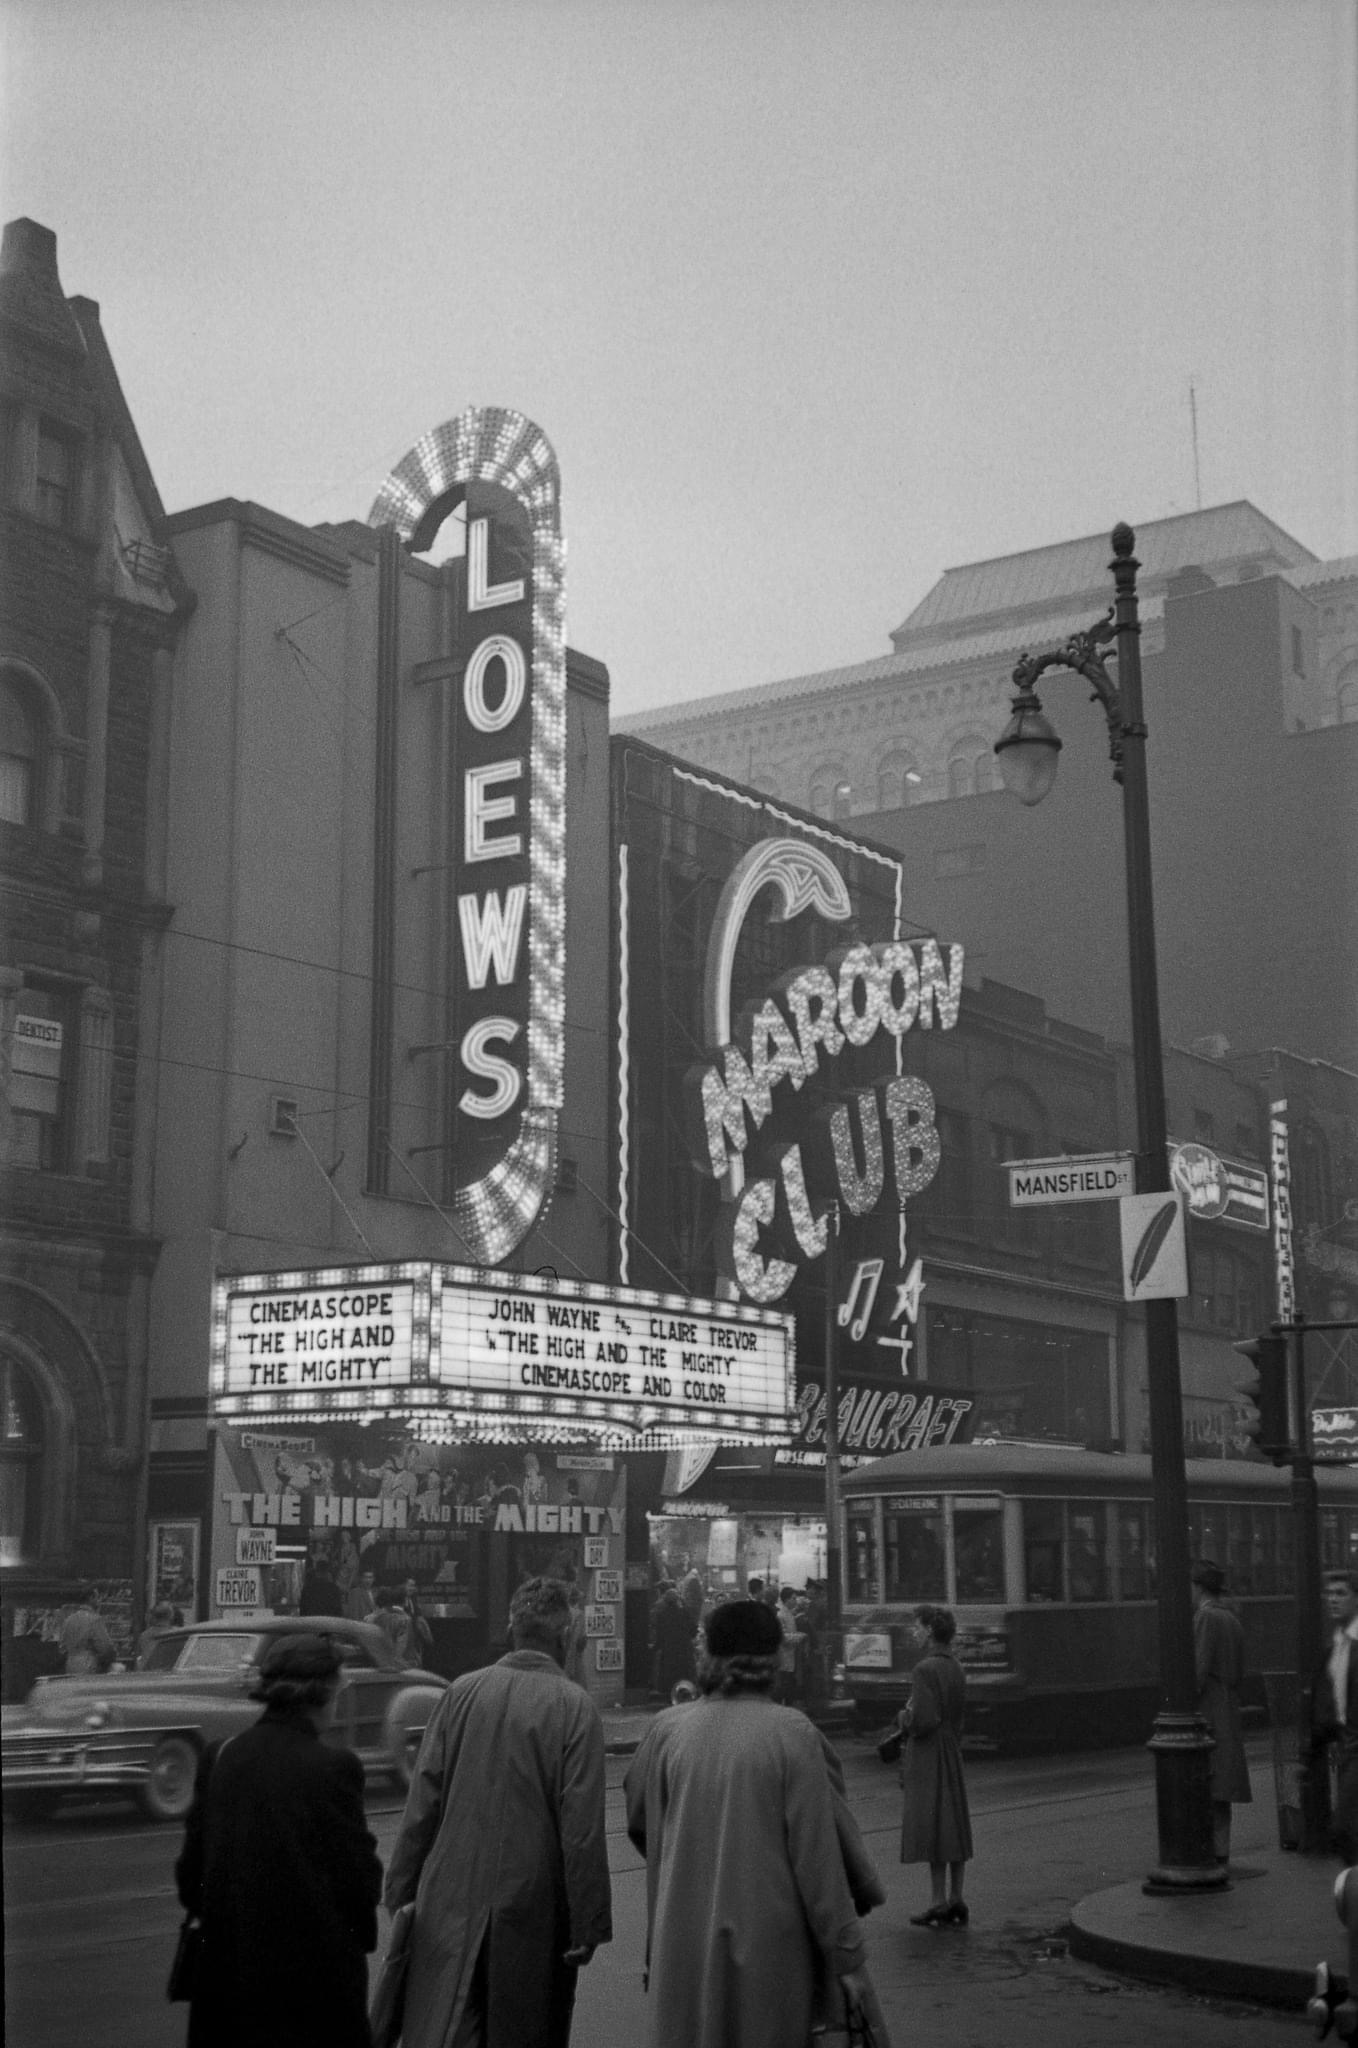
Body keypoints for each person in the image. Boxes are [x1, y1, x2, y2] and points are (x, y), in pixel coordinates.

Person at [624, 1599, 877, 2048]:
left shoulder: (665, 1730)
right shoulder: (792, 1733)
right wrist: (848, 1957)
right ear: (777, 1657)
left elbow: (642, 1823)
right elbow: (819, 1865)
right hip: (770, 1955)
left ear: (710, 1654)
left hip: (680, 1947)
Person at [384, 1576, 611, 2048]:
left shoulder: (461, 1691)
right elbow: (582, 1831)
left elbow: (422, 1800)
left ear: (513, 1629)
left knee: (445, 2024)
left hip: (447, 1896)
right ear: (567, 1638)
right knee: (520, 2027)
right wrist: (587, 1922)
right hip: (529, 1905)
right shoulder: (574, 1706)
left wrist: (401, 1887)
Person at [174, 1632, 382, 2048]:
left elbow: (190, 1875)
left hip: (228, 1978)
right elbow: (358, 1882)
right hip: (313, 1985)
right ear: (322, 1693)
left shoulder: (220, 1756)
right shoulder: (333, 1767)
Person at [896, 1603, 973, 1926]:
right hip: (951, 1747)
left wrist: (904, 1718)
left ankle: (937, 1900)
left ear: (929, 1630)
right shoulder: (955, 1666)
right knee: (953, 1823)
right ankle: (957, 1896)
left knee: (933, 1826)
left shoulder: (924, 1669)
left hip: (929, 1752)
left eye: (917, 1626)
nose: (914, 1631)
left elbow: (923, 1720)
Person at [1191, 1559, 1250, 1865]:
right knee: (1222, 1790)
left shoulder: (1205, 1617)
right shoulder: (1231, 1619)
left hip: (1210, 1710)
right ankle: (1221, 1853)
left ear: (1198, 1588)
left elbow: (1198, 1670)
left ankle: (1208, 1855)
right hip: (1229, 1706)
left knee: (1206, 1783)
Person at [1316, 1570, 1358, 1860]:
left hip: (1356, 1745)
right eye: (1329, 1593)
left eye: (1341, 1593)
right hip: (1347, 1744)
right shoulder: (1338, 1644)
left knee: (1346, 1826)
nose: (1332, 1599)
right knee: (1346, 1829)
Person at [650, 1581, 696, 1699]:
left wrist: (655, 1647)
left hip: (669, 1650)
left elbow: (660, 1636)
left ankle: (670, 1695)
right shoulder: (685, 1612)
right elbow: (693, 1629)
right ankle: (687, 1693)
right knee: (685, 1673)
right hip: (685, 1649)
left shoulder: (662, 1615)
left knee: (670, 1676)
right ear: (677, 1600)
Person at [59, 1589, 115, 1675]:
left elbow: (62, 1648)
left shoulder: (68, 1620)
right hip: (90, 1667)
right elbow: (106, 1648)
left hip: (70, 1668)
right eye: (97, 1597)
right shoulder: (95, 1620)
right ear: (91, 1598)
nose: (99, 1601)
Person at [400, 1577, 435, 1667]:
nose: (412, 1588)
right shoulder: (399, 1601)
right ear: (403, 1586)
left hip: (415, 1639)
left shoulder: (413, 1600)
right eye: (410, 1586)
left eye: (414, 1586)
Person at [374, 1585, 413, 1662]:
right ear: (405, 1599)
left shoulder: (379, 1618)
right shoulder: (405, 1619)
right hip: (400, 1664)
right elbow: (402, 1645)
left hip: (381, 1661)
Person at [137, 1600, 177, 1667]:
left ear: (154, 1616)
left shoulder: (144, 1636)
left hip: (148, 1672)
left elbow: (140, 1657)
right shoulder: (177, 1634)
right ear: (171, 1616)